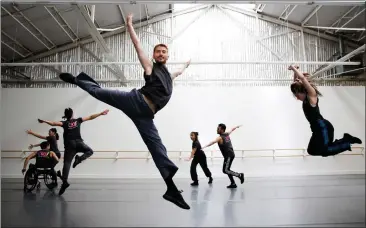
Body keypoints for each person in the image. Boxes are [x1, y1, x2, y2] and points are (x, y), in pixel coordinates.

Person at [58, 13, 191, 210]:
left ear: (168, 55)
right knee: (100, 92)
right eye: (158, 52)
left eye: (164, 51)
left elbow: (177, 72)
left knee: (157, 148)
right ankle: (77, 80)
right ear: (154, 56)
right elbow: (138, 48)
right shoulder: (150, 67)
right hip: (135, 101)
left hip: (145, 115)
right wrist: (129, 25)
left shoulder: (168, 77)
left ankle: (170, 189)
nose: (161, 54)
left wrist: (187, 65)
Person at [289, 65, 362, 157]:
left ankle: (347, 141)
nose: (296, 97)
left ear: (302, 91)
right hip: (317, 128)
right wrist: (295, 72)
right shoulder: (304, 99)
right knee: (312, 150)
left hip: (322, 127)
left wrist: (293, 68)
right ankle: (346, 140)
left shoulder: (311, 96)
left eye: (297, 94)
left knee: (324, 150)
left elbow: (302, 79)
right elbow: (296, 84)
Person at [37, 108, 109, 196]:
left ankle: (65, 182)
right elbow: (90, 117)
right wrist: (100, 113)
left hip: (69, 146)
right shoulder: (78, 120)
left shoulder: (64, 123)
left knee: (67, 164)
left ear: (66, 115)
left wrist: (44, 121)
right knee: (90, 151)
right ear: (72, 114)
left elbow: (53, 123)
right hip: (79, 143)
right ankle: (79, 159)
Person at [202, 124, 244, 188]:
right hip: (229, 155)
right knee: (227, 169)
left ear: (222, 130)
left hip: (229, 155)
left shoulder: (220, 137)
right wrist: (236, 127)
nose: (217, 129)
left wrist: (204, 146)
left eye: (218, 128)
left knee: (226, 170)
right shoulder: (227, 133)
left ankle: (239, 175)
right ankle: (233, 183)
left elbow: (213, 142)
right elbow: (232, 129)